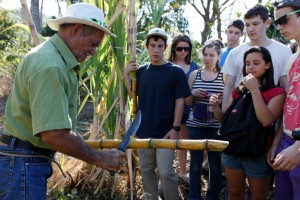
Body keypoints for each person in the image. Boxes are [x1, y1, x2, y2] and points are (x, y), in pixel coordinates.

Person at [0, 3, 125, 199]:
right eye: (93, 44)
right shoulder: (51, 66)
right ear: (76, 30)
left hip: (23, 161)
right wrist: (101, 159)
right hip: (23, 164)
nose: (93, 52)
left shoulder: (52, 58)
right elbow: (54, 134)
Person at [210, 46, 286, 199]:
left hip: (257, 153)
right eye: (247, 63)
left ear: (268, 65)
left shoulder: (277, 93)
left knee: (258, 196)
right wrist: (215, 107)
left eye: (256, 63)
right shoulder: (238, 91)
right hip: (232, 151)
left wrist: (255, 90)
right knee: (234, 192)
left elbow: (266, 121)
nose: (250, 67)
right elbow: (225, 121)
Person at [124, 27, 191, 200]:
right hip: (143, 130)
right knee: (146, 170)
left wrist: (176, 127)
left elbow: (180, 101)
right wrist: (126, 76)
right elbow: (134, 96)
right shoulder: (141, 72)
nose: (156, 49)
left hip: (166, 131)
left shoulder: (175, 72)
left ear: (166, 47)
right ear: (146, 46)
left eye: (160, 46)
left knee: (166, 172)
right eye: (152, 45)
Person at [221, 4, 292, 111]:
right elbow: (228, 87)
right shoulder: (234, 53)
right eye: (247, 25)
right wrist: (224, 117)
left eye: (255, 24)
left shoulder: (284, 51)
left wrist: (283, 122)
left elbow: (286, 86)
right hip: (238, 113)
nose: (250, 29)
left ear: (267, 22)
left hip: (269, 113)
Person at [185, 41, 224, 200]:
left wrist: (217, 101)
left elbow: (228, 101)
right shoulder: (195, 74)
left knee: (215, 163)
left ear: (218, 56)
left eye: (212, 55)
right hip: (195, 125)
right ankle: (194, 196)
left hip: (216, 125)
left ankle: (212, 196)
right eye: (205, 54)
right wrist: (193, 93)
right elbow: (187, 101)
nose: (208, 58)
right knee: (195, 162)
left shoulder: (224, 75)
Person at [269, 1, 300, 199]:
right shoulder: (291, 58)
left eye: (284, 20)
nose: (279, 27)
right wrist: (277, 143)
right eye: (276, 22)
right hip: (286, 141)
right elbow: (290, 105)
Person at [167, 33, 199, 182]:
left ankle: (182, 172)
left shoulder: (194, 66)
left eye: (187, 49)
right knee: (167, 144)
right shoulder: (166, 64)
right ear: (173, 49)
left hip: (187, 110)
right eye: (180, 48)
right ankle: (166, 173)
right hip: (168, 110)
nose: (183, 52)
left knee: (183, 142)